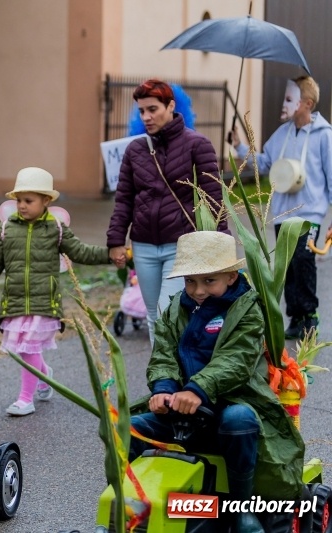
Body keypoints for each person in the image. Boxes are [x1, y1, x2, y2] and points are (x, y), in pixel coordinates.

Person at [129, 231, 305, 533]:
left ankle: (241, 512)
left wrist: (198, 389)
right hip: (184, 410)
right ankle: (134, 503)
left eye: (209, 280)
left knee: (239, 420)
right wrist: (164, 389)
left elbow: (235, 360)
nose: (197, 291)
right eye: (190, 281)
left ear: (231, 276)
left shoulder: (247, 310)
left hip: (235, 401)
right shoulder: (175, 309)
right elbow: (163, 356)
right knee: (127, 426)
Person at [107, 79, 225, 346]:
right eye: (141, 111)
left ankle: (175, 376)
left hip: (180, 244)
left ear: (171, 105)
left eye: (153, 109)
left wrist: (221, 246)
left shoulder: (198, 145)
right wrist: (116, 241)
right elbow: (124, 199)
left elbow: (214, 199)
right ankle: (161, 378)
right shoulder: (135, 149)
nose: (146, 117)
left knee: (167, 312)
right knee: (152, 315)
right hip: (144, 246)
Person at [0, 167, 110, 416]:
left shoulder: (56, 228)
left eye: (28, 201)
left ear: (46, 201)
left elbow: (81, 252)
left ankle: (25, 399)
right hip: (16, 300)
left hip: (44, 301)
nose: (21, 205)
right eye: (18, 200)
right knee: (21, 349)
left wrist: (112, 255)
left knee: (29, 347)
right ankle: (44, 374)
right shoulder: (7, 228)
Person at [230, 76, 332, 340]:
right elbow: (263, 163)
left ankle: (310, 315)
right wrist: (241, 146)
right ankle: (295, 317)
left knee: (303, 259)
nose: (284, 104)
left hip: (310, 212)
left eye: (290, 99)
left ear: (306, 103)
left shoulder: (324, 136)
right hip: (284, 211)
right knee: (286, 265)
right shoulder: (282, 134)